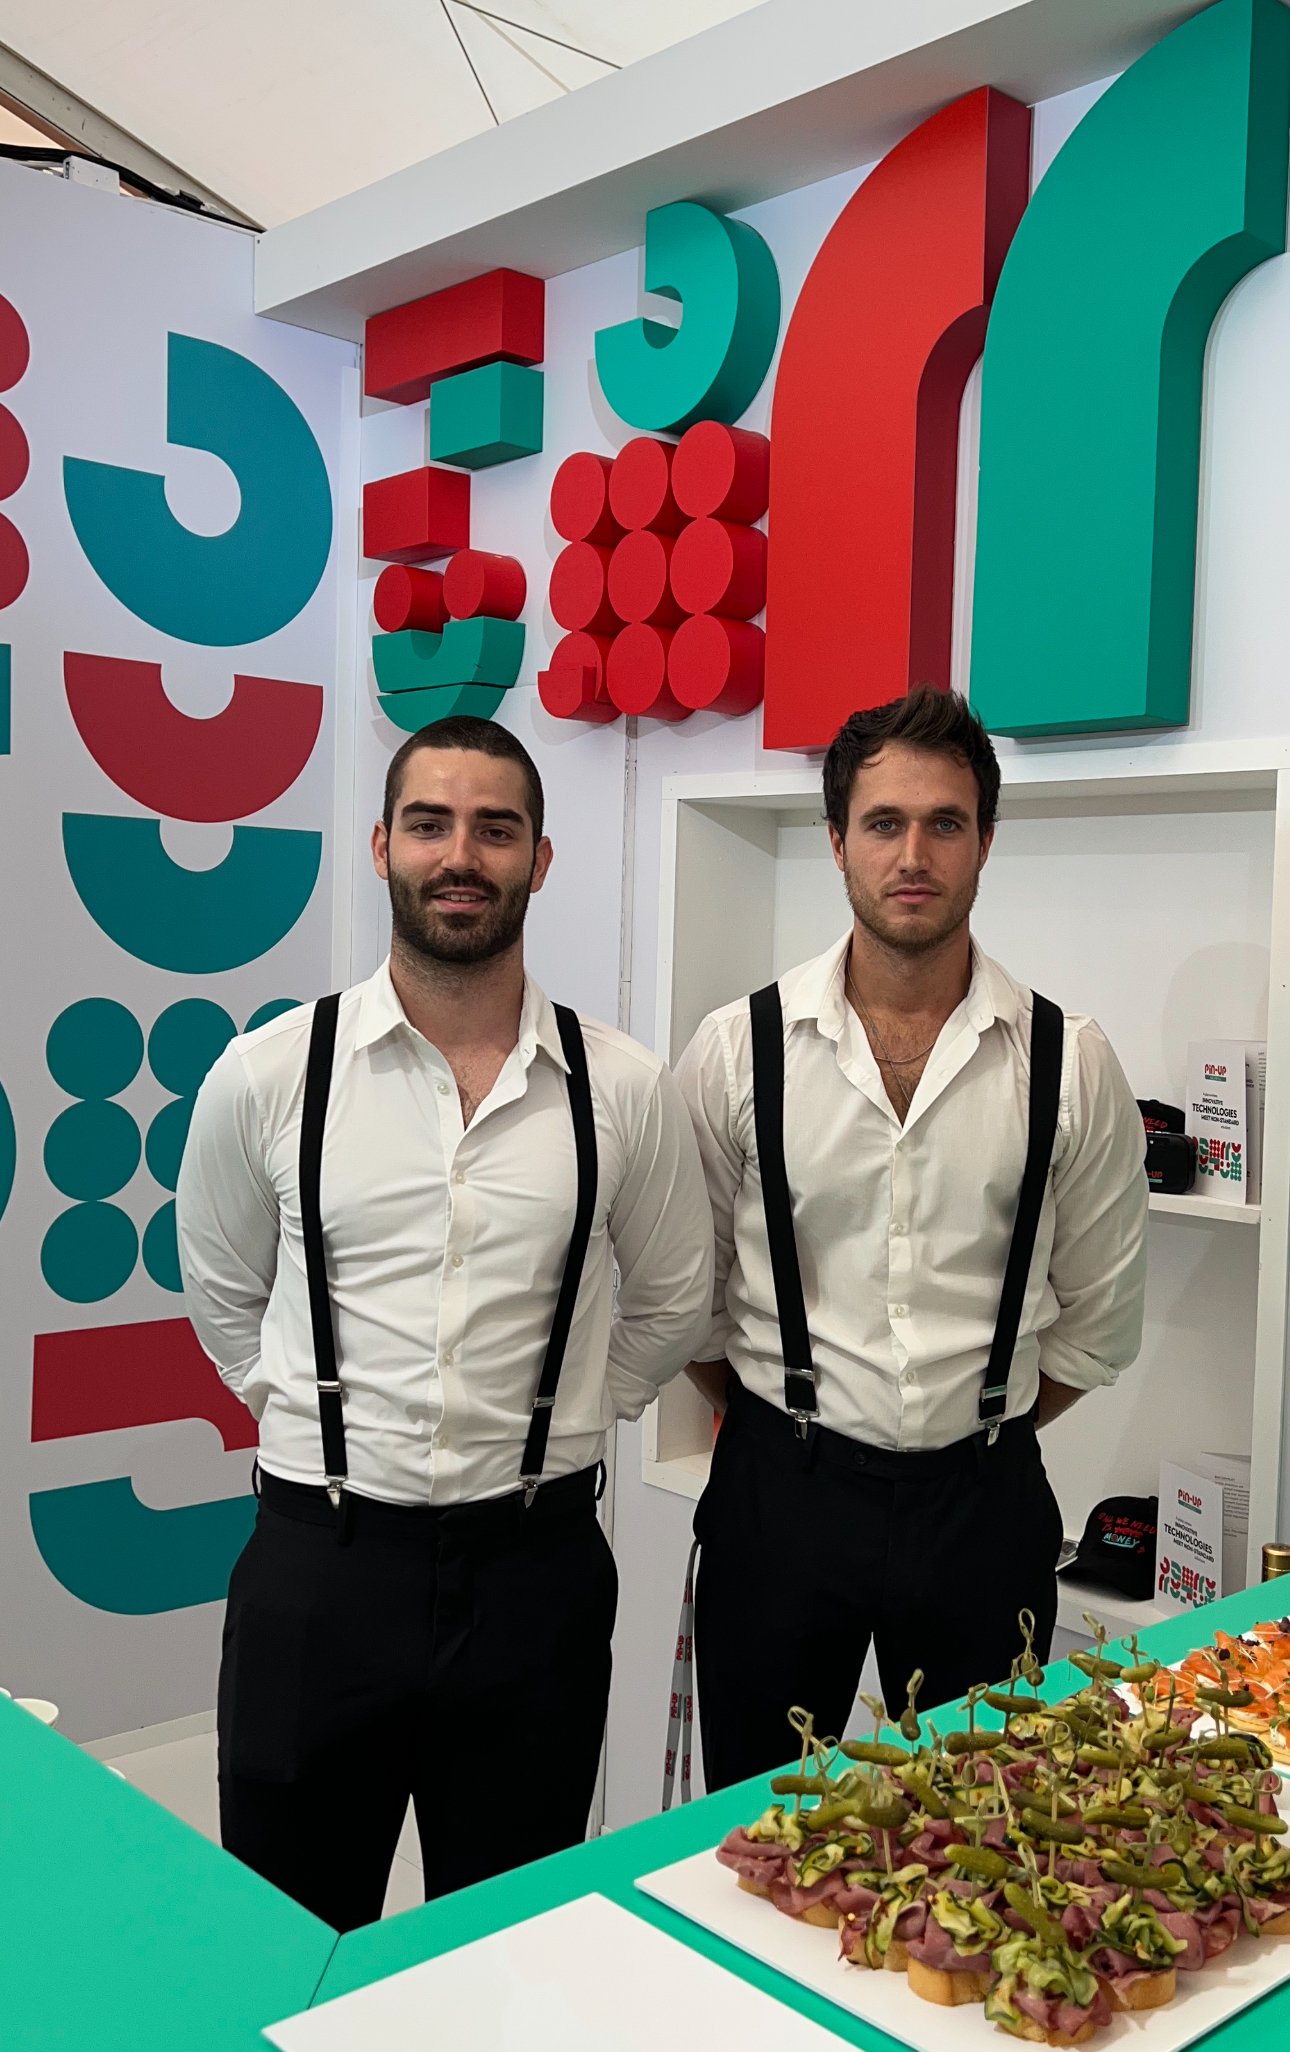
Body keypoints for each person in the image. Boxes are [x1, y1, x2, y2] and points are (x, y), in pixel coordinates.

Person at [176, 715, 713, 1930]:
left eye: (495, 827)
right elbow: (221, 1291)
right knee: (288, 1937)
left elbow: (676, 1299)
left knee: (505, 1945)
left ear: (539, 858)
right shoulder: (270, 1074)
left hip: (536, 1578)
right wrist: (298, 1415)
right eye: (430, 823)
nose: (459, 854)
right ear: (381, 845)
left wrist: (576, 1410)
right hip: (317, 1575)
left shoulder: (619, 1087)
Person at [675, 686, 1148, 1790]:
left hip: (982, 1507)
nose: (914, 854)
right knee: (753, 1829)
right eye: (884, 823)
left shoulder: (1069, 1061)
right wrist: (777, 1424)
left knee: (984, 1836)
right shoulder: (737, 1049)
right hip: (777, 1496)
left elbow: (1099, 1321)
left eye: (946, 822)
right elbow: (689, 1296)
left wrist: (978, 1425)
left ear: (987, 840)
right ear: (837, 840)